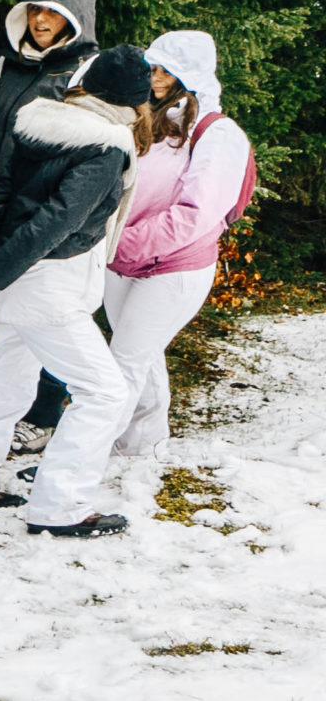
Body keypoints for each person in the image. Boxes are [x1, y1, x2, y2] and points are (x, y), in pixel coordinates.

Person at [0, 47, 154, 539]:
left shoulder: (42, 123)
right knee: (105, 392)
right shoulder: (108, 147)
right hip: (48, 288)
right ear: (135, 103)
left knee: (8, 382)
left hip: (17, 281)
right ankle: (61, 507)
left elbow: (1, 199)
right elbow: (55, 223)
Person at [0, 0, 99, 451]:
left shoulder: (84, 73)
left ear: (74, 20)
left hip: (36, 219)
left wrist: (14, 202)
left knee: (46, 318)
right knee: (1, 316)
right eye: (36, 10)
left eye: (54, 13)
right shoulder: (7, 63)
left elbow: (73, 154)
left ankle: (40, 418)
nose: (41, 20)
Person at [106, 31, 252, 461]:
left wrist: (122, 243)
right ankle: (141, 447)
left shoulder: (218, 133)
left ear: (190, 75)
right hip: (124, 261)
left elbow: (195, 214)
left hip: (174, 268)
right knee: (139, 355)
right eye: (152, 67)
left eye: (167, 70)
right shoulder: (147, 119)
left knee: (121, 364)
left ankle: (75, 461)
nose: (155, 78)